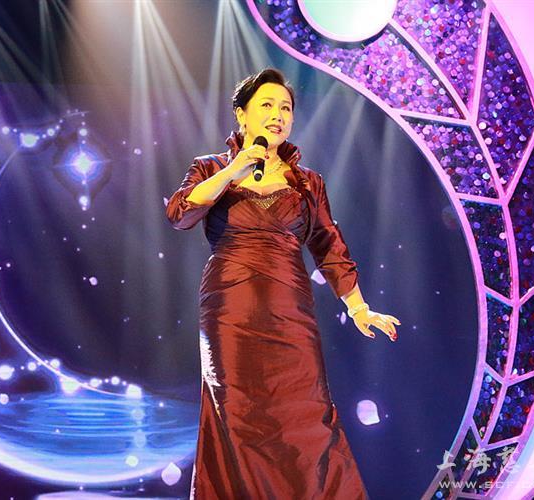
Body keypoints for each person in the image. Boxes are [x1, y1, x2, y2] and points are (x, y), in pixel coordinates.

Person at [165, 68, 400, 499]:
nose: (278, 115)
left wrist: (359, 307)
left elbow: (329, 244)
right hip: (231, 310)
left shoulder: (307, 182)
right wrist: (232, 171)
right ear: (242, 115)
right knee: (238, 414)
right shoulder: (210, 167)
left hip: (291, 310)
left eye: (286, 108)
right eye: (267, 106)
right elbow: (180, 214)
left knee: (306, 415)